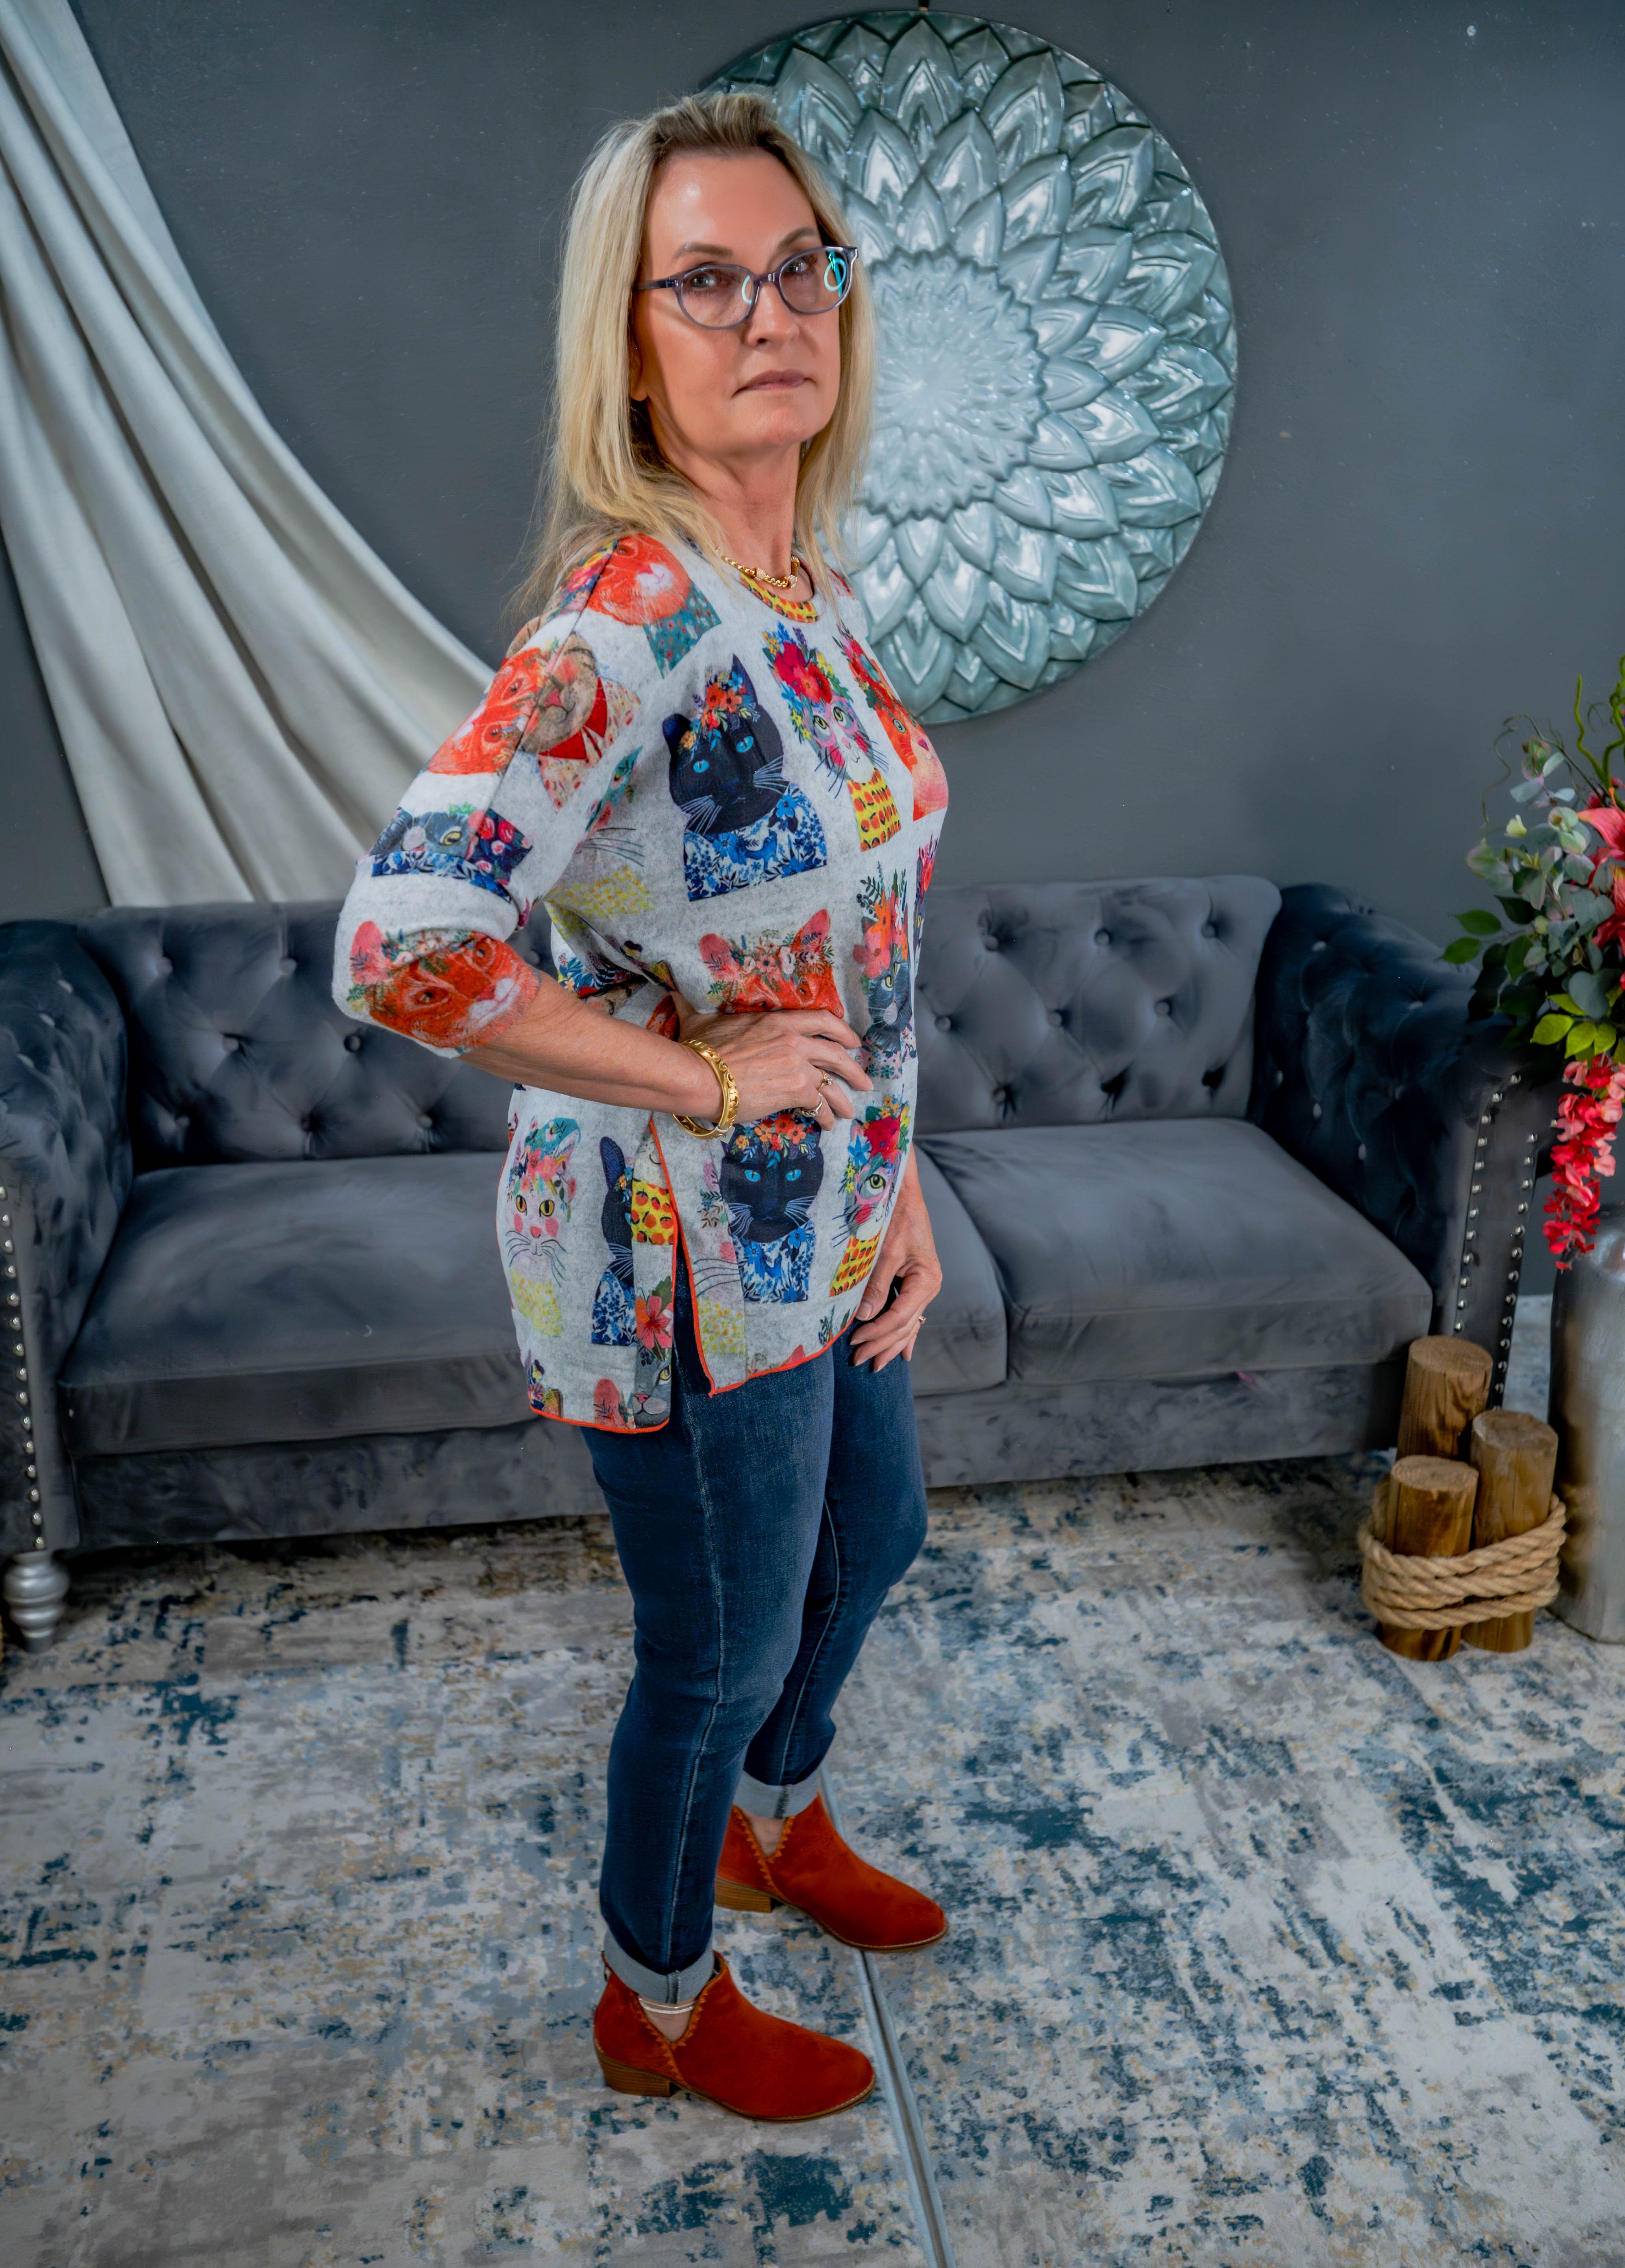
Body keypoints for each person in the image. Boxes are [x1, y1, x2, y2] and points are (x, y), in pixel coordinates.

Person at [333, 89, 952, 2123]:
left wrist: (900, 1177)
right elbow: (403, 943)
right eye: (706, 280)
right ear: (628, 338)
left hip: (829, 1218)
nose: (770, 312)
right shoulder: (623, 626)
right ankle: (657, 1999)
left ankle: (778, 1823)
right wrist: (700, 1075)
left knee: (877, 1534)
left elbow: (862, 937)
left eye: (800, 268)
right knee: (715, 1645)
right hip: (677, 1260)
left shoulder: (814, 597)